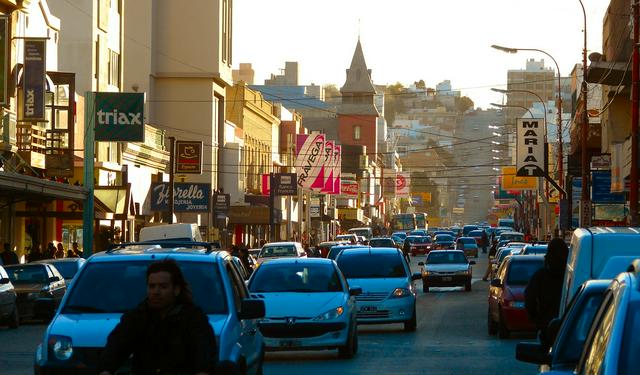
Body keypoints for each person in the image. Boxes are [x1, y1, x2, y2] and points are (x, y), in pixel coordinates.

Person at [98, 259, 217, 375]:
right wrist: (106, 369)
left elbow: (204, 353)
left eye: (163, 286)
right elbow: (116, 347)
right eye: (152, 286)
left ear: (176, 289)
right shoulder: (137, 317)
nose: (156, 292)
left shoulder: (193, 318)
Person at [524, 238, 569, 349]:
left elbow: (529, 297)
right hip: (570, 330)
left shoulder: (541, 276)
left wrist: (536, 319)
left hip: (547, 329)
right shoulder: (571, 276)